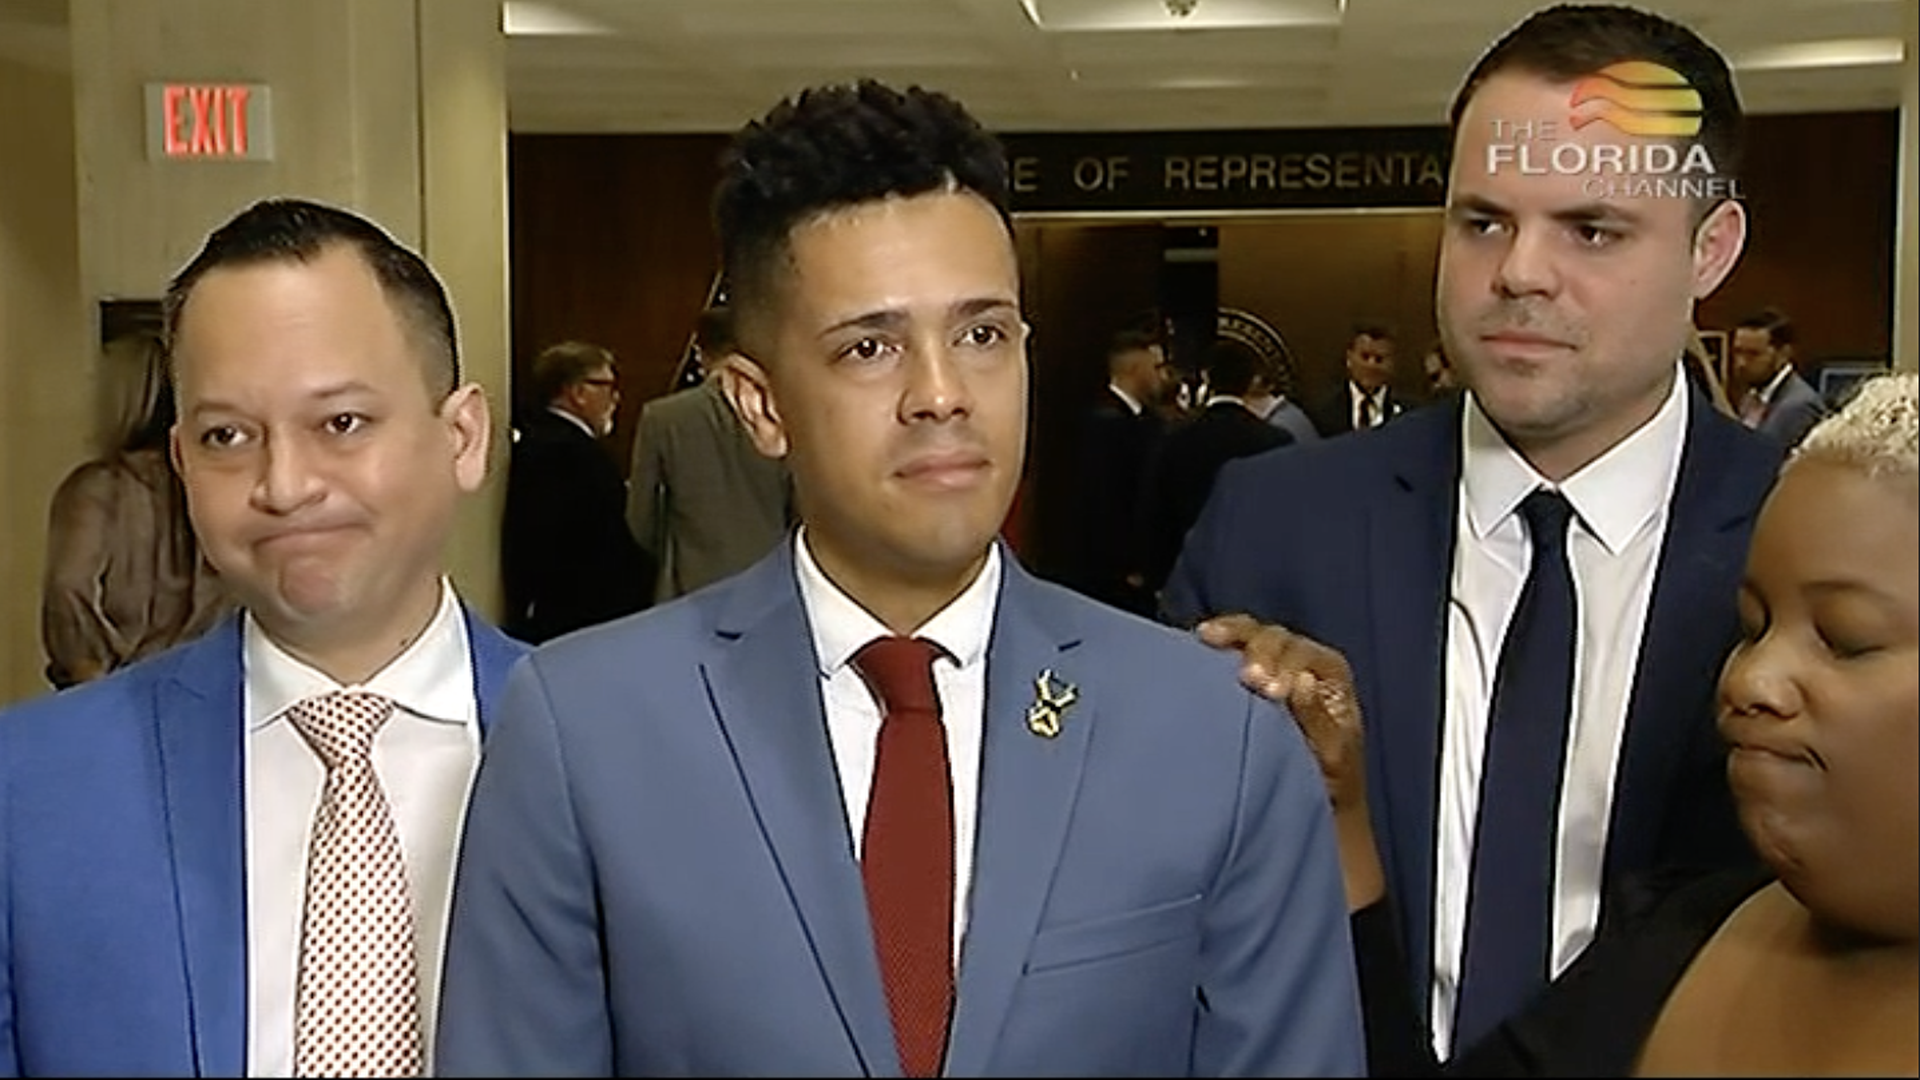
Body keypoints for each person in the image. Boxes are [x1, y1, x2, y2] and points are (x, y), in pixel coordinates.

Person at [436, 79, 1364, 1078]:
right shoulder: (587, 730)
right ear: (758, 404)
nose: (941, 393)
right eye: (871, 347)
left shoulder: (1213, 732)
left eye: (982, 334)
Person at [1166, 3, 1786, 1063]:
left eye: (1590, 229)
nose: (1519, 274)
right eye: (1483, 222)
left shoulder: (1814, 549)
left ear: (1710, 250)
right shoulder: (1275, 528)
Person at [1224, 371, 1918, 1076]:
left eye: (1846, 637)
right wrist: (1342, 815)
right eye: (1753, 627)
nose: (1750, 680)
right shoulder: (1667, 946)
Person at [0, 197, 527, 1077]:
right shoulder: (31, 788)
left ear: (461, 437)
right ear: (181, 466)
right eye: (227, 437)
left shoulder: (617, 760)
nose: (284, 485)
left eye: (341, 423)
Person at [40, 328, 228, 689]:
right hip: (202, 684)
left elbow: (68, 587)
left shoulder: (98, 488)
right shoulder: (209, 481)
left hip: (116, 687)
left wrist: (87, 669)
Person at [626, 306, 793, 603]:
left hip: (689, 586)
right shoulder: (783, 413)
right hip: (773, 581)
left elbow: (640, 518)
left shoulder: (662, 417)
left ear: (700, 351)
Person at [501, 338, 656, 642]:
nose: (616, 397)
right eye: (607, 385)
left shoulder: (558, 444)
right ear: (578, 392)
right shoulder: (563, 452)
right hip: (578, 621)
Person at [1138, 336, 1293, 595]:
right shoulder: (1275, 441)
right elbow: (1287, 519)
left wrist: (1154, 578)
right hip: (1255, 579)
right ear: (1251, 381)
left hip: (1187, 576)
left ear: (1206, 377)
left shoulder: (1175, 438)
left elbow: (1156, 513)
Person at [1057, 325, 1175, 615]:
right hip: (1109, 579)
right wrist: (1129, 564)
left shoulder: (1147, 422)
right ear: (1136, 367)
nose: (1164, 377)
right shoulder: (1104, 424)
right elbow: (1104, 502)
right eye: (1157, 366)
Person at [1730, 306, 1827, 448]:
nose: (1741, 363)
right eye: (1738, 352)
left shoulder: (1798, 407)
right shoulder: (1750, 398)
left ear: (1784, 354)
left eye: (1753, 354)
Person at [1307, 322, 1404, 437]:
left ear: (1392, 364)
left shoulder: (1409, 413)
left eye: (1379, 359)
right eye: (1365, 357)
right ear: (1349, 358)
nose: (1371, 366)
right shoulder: (1322, 413)